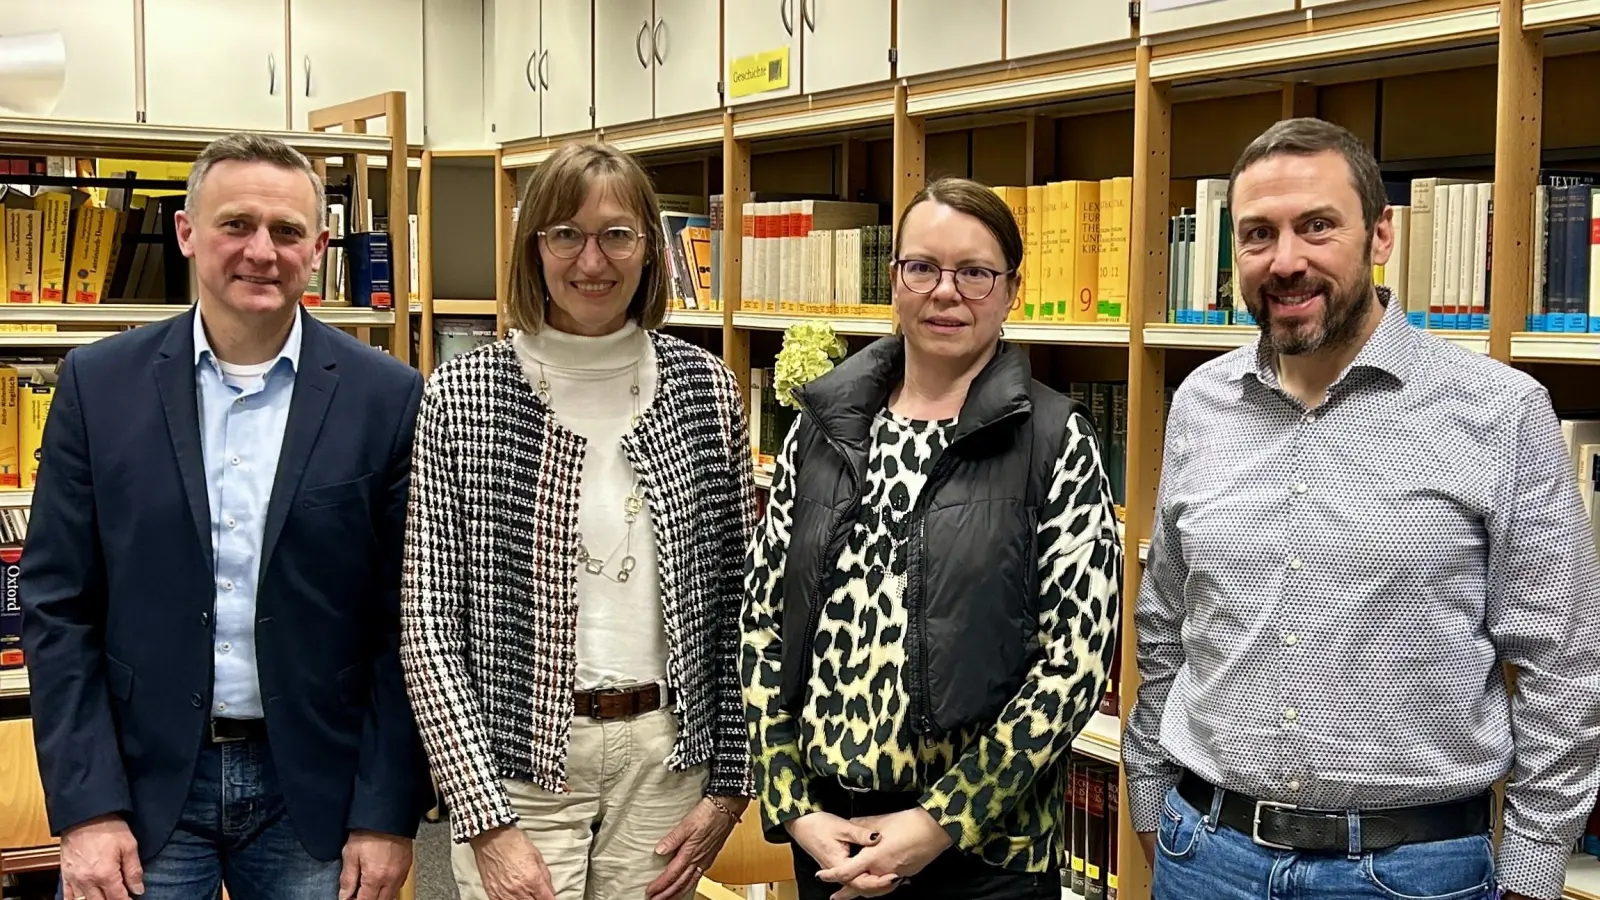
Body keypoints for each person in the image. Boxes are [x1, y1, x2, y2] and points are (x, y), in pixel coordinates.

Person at [1124, 116, 1600, 900]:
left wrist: (1534, 865)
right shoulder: (1199, 404)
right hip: (1206, 854)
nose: (1286, 262)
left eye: (1317, 227)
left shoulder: (1500, 411)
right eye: (1257, 235)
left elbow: (1563, 661)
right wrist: (1147, 792)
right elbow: (1166, 620)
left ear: (1381, 236)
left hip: (1413, 871)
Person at [18, 133, 431, 900]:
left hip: (316, 792)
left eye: (286, 231)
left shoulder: (388, 397)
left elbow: (403, 623)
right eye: (235, 224)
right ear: (186, 233)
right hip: (140, 795)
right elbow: (57, 608)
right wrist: (86, 810)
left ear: (319, 247)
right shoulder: (98, 386)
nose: (261, 251)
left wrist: (387, 813)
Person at [741, 176, 1123, 900]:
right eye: (923, 268)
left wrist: (939, 820)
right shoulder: (820, 430)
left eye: (975, 273)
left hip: (985, 851)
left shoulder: (1053, 439)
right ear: (895, 280)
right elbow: (763, 624)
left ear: (1011, 289)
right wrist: (793, 805)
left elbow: (1074, 665)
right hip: (830, 834)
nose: (947, 292)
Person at [399, 139, 756, 900]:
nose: (592, 260)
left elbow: (740, 608)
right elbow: (428, 623)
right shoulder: (464, 394)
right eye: (566, 233)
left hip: (667, 757)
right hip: (518, 760)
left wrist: (729, 788)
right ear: (535, 250)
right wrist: (483, 818)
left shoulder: (705, 388)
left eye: (617, 234)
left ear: (650, 250)